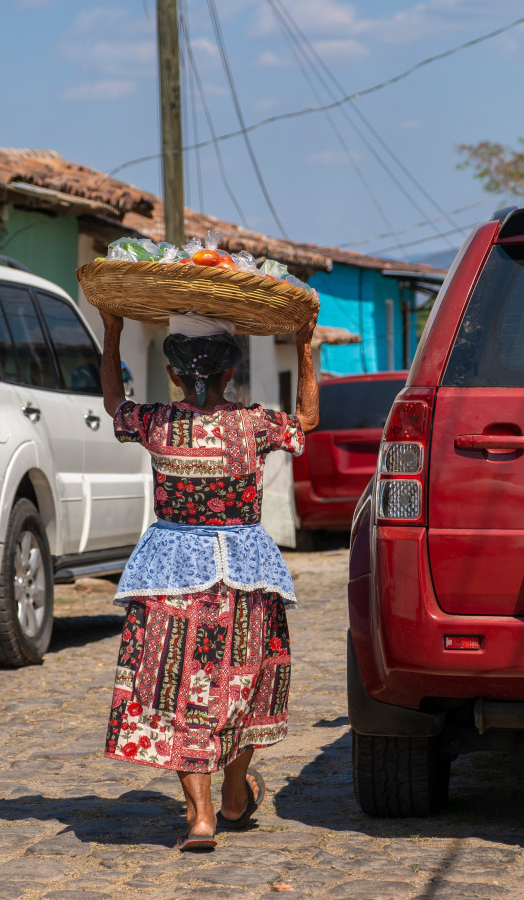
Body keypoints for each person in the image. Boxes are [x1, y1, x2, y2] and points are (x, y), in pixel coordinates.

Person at [98, 306, 319, 852]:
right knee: (242, 683)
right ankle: (236, 792)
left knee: (177, 689)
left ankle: (201, 816)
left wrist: (113, 329)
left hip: (170, 572)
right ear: (230, 373)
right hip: (243, 575)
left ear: (174, 373)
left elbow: (111, 404)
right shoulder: (255, 425)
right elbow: (307, 420)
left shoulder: (155, 423)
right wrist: (304, 345)